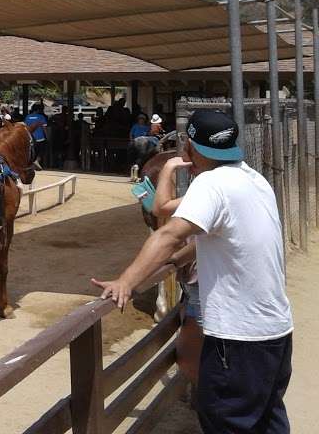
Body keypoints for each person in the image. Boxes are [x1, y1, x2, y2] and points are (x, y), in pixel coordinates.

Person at [93, 110, 292, 434]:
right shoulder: (253, 179)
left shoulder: (211, 184)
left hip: (237, 338)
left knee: (226, 421)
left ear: (191, 148)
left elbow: (167, 235)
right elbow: (217, 241)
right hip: (276, 333)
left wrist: (126, 281)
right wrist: (177, 262)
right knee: (268, 421)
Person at [151, 154, 204, 388]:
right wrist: (176, 259)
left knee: (191, 360)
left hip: (203, 288)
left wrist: (168, 168)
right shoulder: (250, 184)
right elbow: (197, 246)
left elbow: (160, 209)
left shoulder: (208, 191)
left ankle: (200, 395)